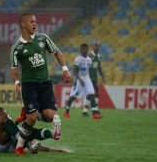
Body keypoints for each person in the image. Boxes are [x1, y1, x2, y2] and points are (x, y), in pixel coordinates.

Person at [9, 13, 72, 154]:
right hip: (29, 85)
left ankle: (46, 122)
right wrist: (17, 81)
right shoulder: (16, 48)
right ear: (23, 24)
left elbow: (57, 52)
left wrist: (65, 70)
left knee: (51, 116)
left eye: (35, 21)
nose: (35, 24)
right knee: (32, 117)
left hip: (45, 84)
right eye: (31, 22)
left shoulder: (43, 39)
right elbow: (13, 69)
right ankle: (19, 146)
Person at [64, 43, 102, 119]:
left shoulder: (89, 59)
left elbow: (90, 70)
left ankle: (94, 113)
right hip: (79, 79)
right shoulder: (77, 59)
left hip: (87, 79)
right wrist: (80, 80)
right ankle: (67, 112)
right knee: (73, 96)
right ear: (81, 50)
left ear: (88, 49)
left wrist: (91, 80)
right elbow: (75, 71)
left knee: (92, 94)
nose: (85, 50)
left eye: (86, 49)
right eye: (83, 49)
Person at [82, 41, 106, 116]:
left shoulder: (99, 56)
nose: (97, 47)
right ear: (93, 46)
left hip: (94, 78)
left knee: (91, 95)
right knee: (95, 93)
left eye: (98, 46)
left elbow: (99, 67)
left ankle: (85, 112)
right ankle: (95, 111)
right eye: (95, 45)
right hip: (89, 78)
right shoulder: (89, 55)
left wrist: (103, 77)